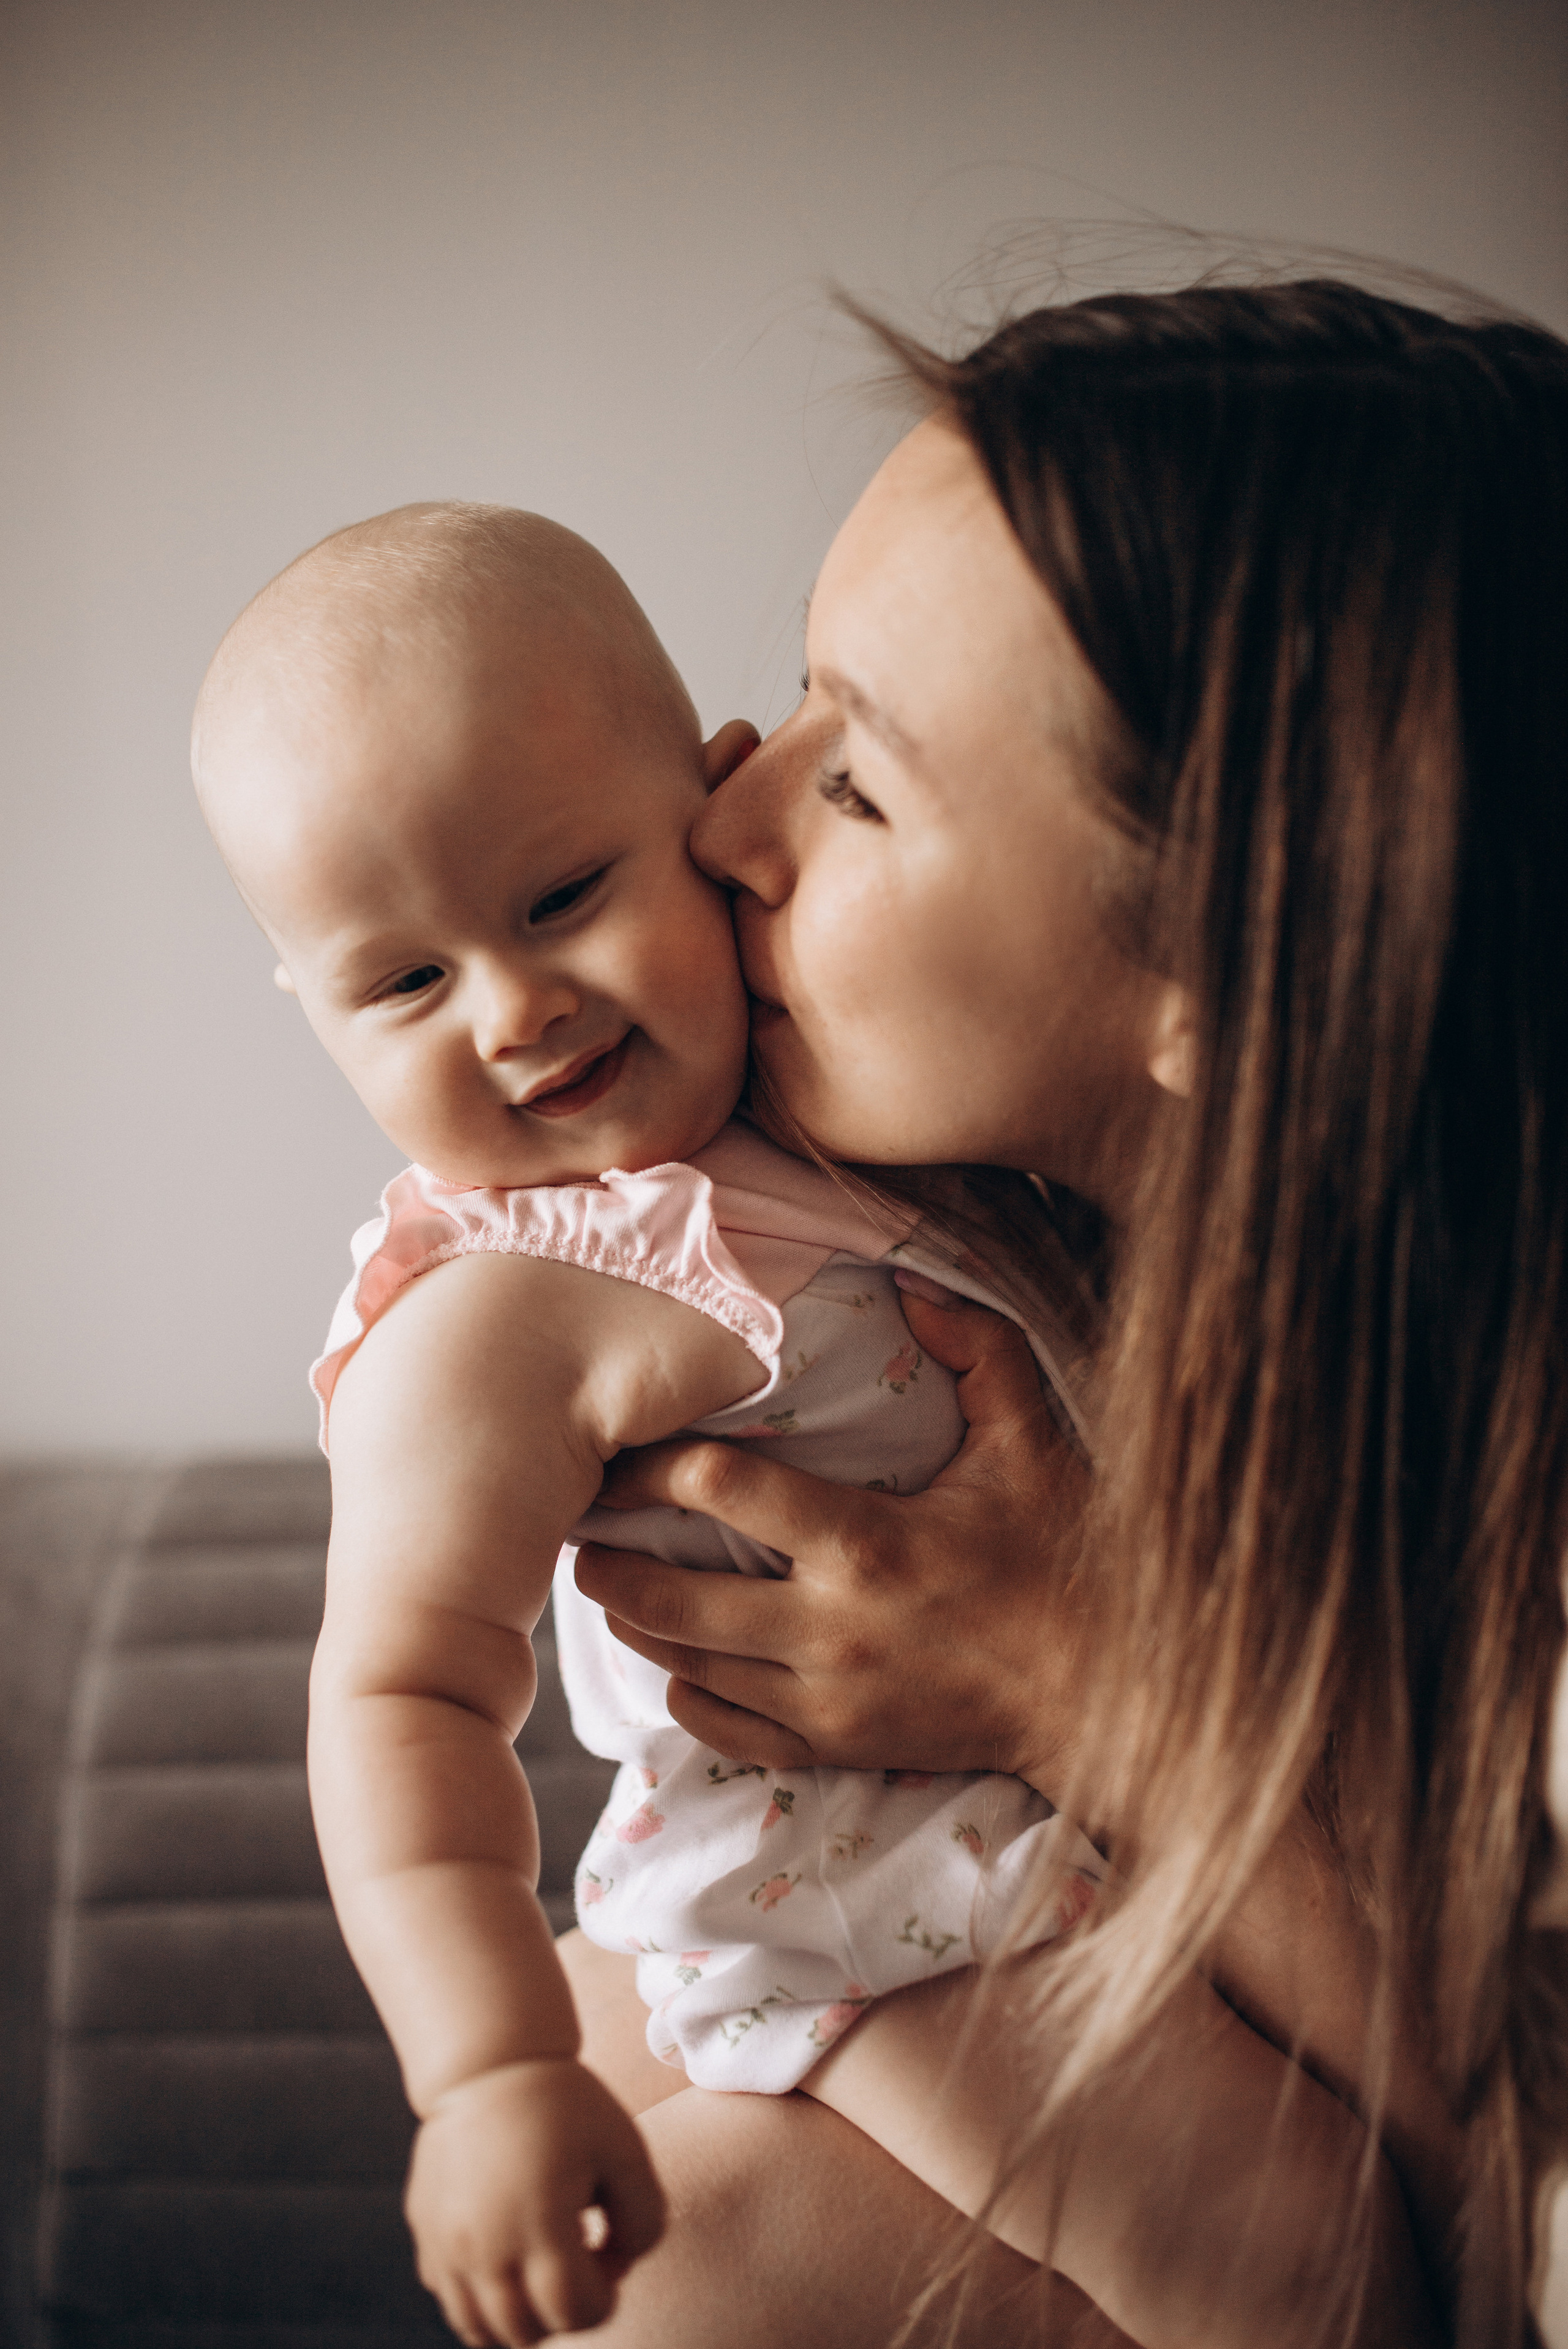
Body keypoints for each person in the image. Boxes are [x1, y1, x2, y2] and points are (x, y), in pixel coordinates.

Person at [190, 503, 1423, 2349]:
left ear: (701, 811)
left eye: (562, 897)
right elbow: (399, 1698)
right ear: (314, 1012)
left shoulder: (843, 1116)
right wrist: (489, 2074)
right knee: (1297, 2251)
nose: (515, 1010)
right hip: (870, 1916)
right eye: (405, 982)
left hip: (1084, 1836)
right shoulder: (500, 1312)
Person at [560, 279, 1568, 2349]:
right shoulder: (933, 1274)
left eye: (860, 785)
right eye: (798, 693)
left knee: (691, 2263)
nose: (724, 817)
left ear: (1240, 969)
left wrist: (1084, 1683)